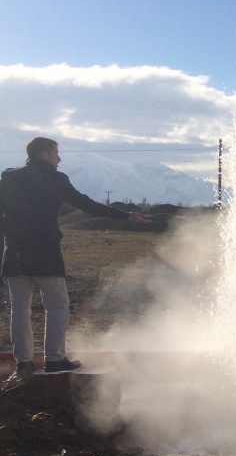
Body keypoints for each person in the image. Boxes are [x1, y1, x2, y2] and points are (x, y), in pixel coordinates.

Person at [0, 137, 151, 386]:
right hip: (45, 252)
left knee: (19, 308)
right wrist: (124, 216)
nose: (59, 159)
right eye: (56, 153)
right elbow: (86, 205)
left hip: (14, 253)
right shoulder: (55, 179)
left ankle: (24, 363)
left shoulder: (9, 178)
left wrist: (10, 234)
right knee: (57, 305)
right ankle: (55, 360)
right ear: (45, 154)